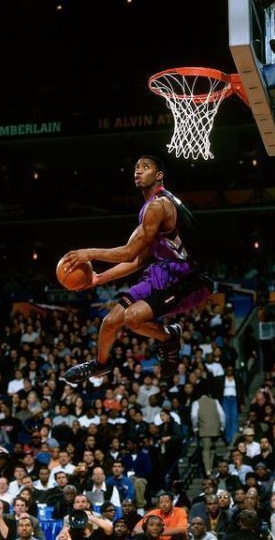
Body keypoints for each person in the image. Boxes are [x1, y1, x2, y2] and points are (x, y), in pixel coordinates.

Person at [61, 154, 212, 383]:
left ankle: (169, 337)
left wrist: (89, 252)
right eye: (136, 167)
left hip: (189, 276)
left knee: (132, 318)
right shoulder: (149, 209)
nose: (138, 171)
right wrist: (98, 279)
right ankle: (101, 364)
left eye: (145, 167)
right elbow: (138, 260)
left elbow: (128, 252)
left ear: (159, 175)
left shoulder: (159, 205)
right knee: (110, 321)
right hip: (163, 271)